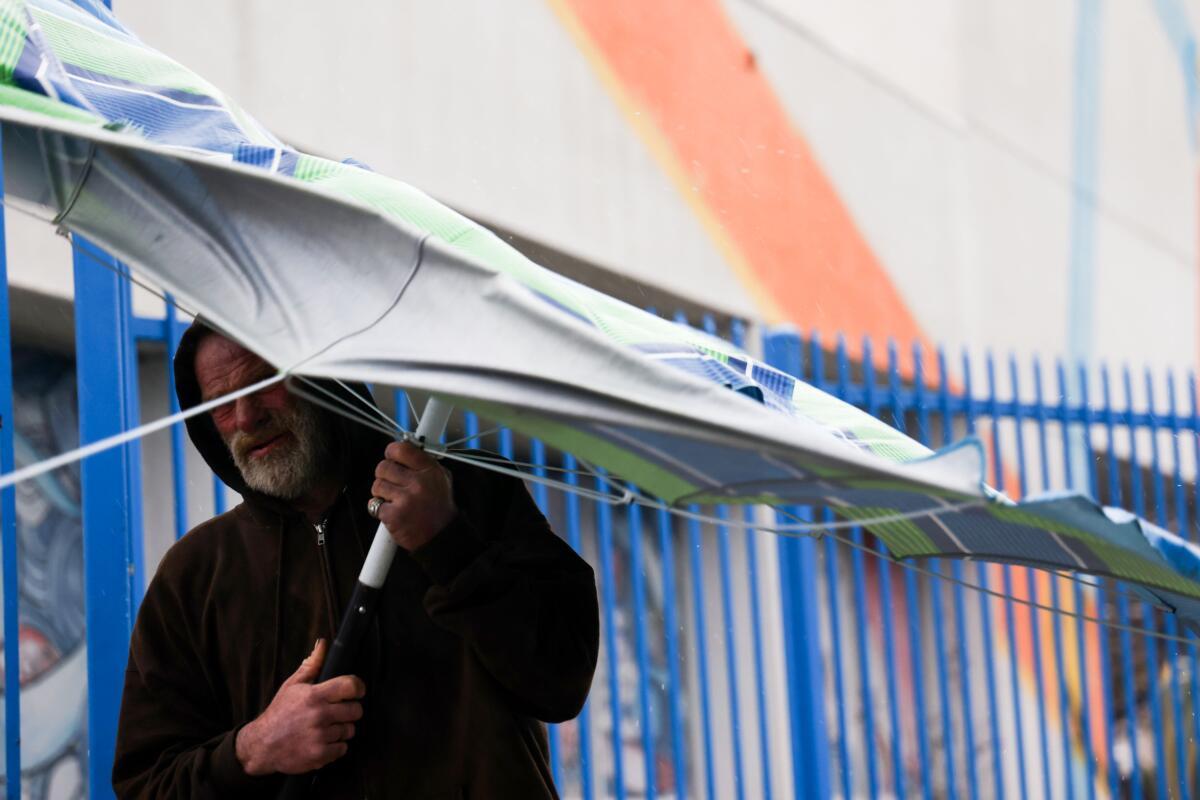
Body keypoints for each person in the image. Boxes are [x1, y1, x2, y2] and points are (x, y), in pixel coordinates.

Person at [112, 322, 600, 799]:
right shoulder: (195, 574)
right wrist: (254, 749)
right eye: (220, 404)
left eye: (263, 382)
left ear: (321, 372)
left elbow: (561, 680)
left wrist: (446, 541)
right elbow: (146, 781)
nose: (245, 417)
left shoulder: (466, 495)